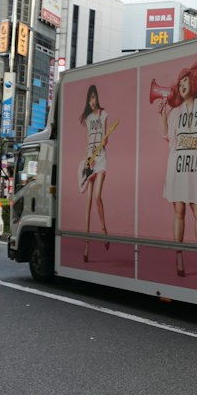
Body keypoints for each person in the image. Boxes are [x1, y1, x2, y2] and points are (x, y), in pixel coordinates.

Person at [159, 61, 197, 280]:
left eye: (186, 80)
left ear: (194, 83)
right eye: (180, 81)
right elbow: (168, 136)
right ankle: (179, 258)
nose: (182, 84)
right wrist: (162, 116)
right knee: (179, 212)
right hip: (176, 165)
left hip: (194, 166)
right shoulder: (175, 113)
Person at [79, 84, 112, 262]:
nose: (92, 101)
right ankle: (86, 245)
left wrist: (106, 138)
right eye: (89, 98)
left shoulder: (103, 114)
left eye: (94, 97)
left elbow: (105, 138)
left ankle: (104, 230)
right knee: (88, 203)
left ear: (97, 97)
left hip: (101, 159)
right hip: (89, 160)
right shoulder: (89, 118)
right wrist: (85, 159)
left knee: (98, 196)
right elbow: (88, 141)